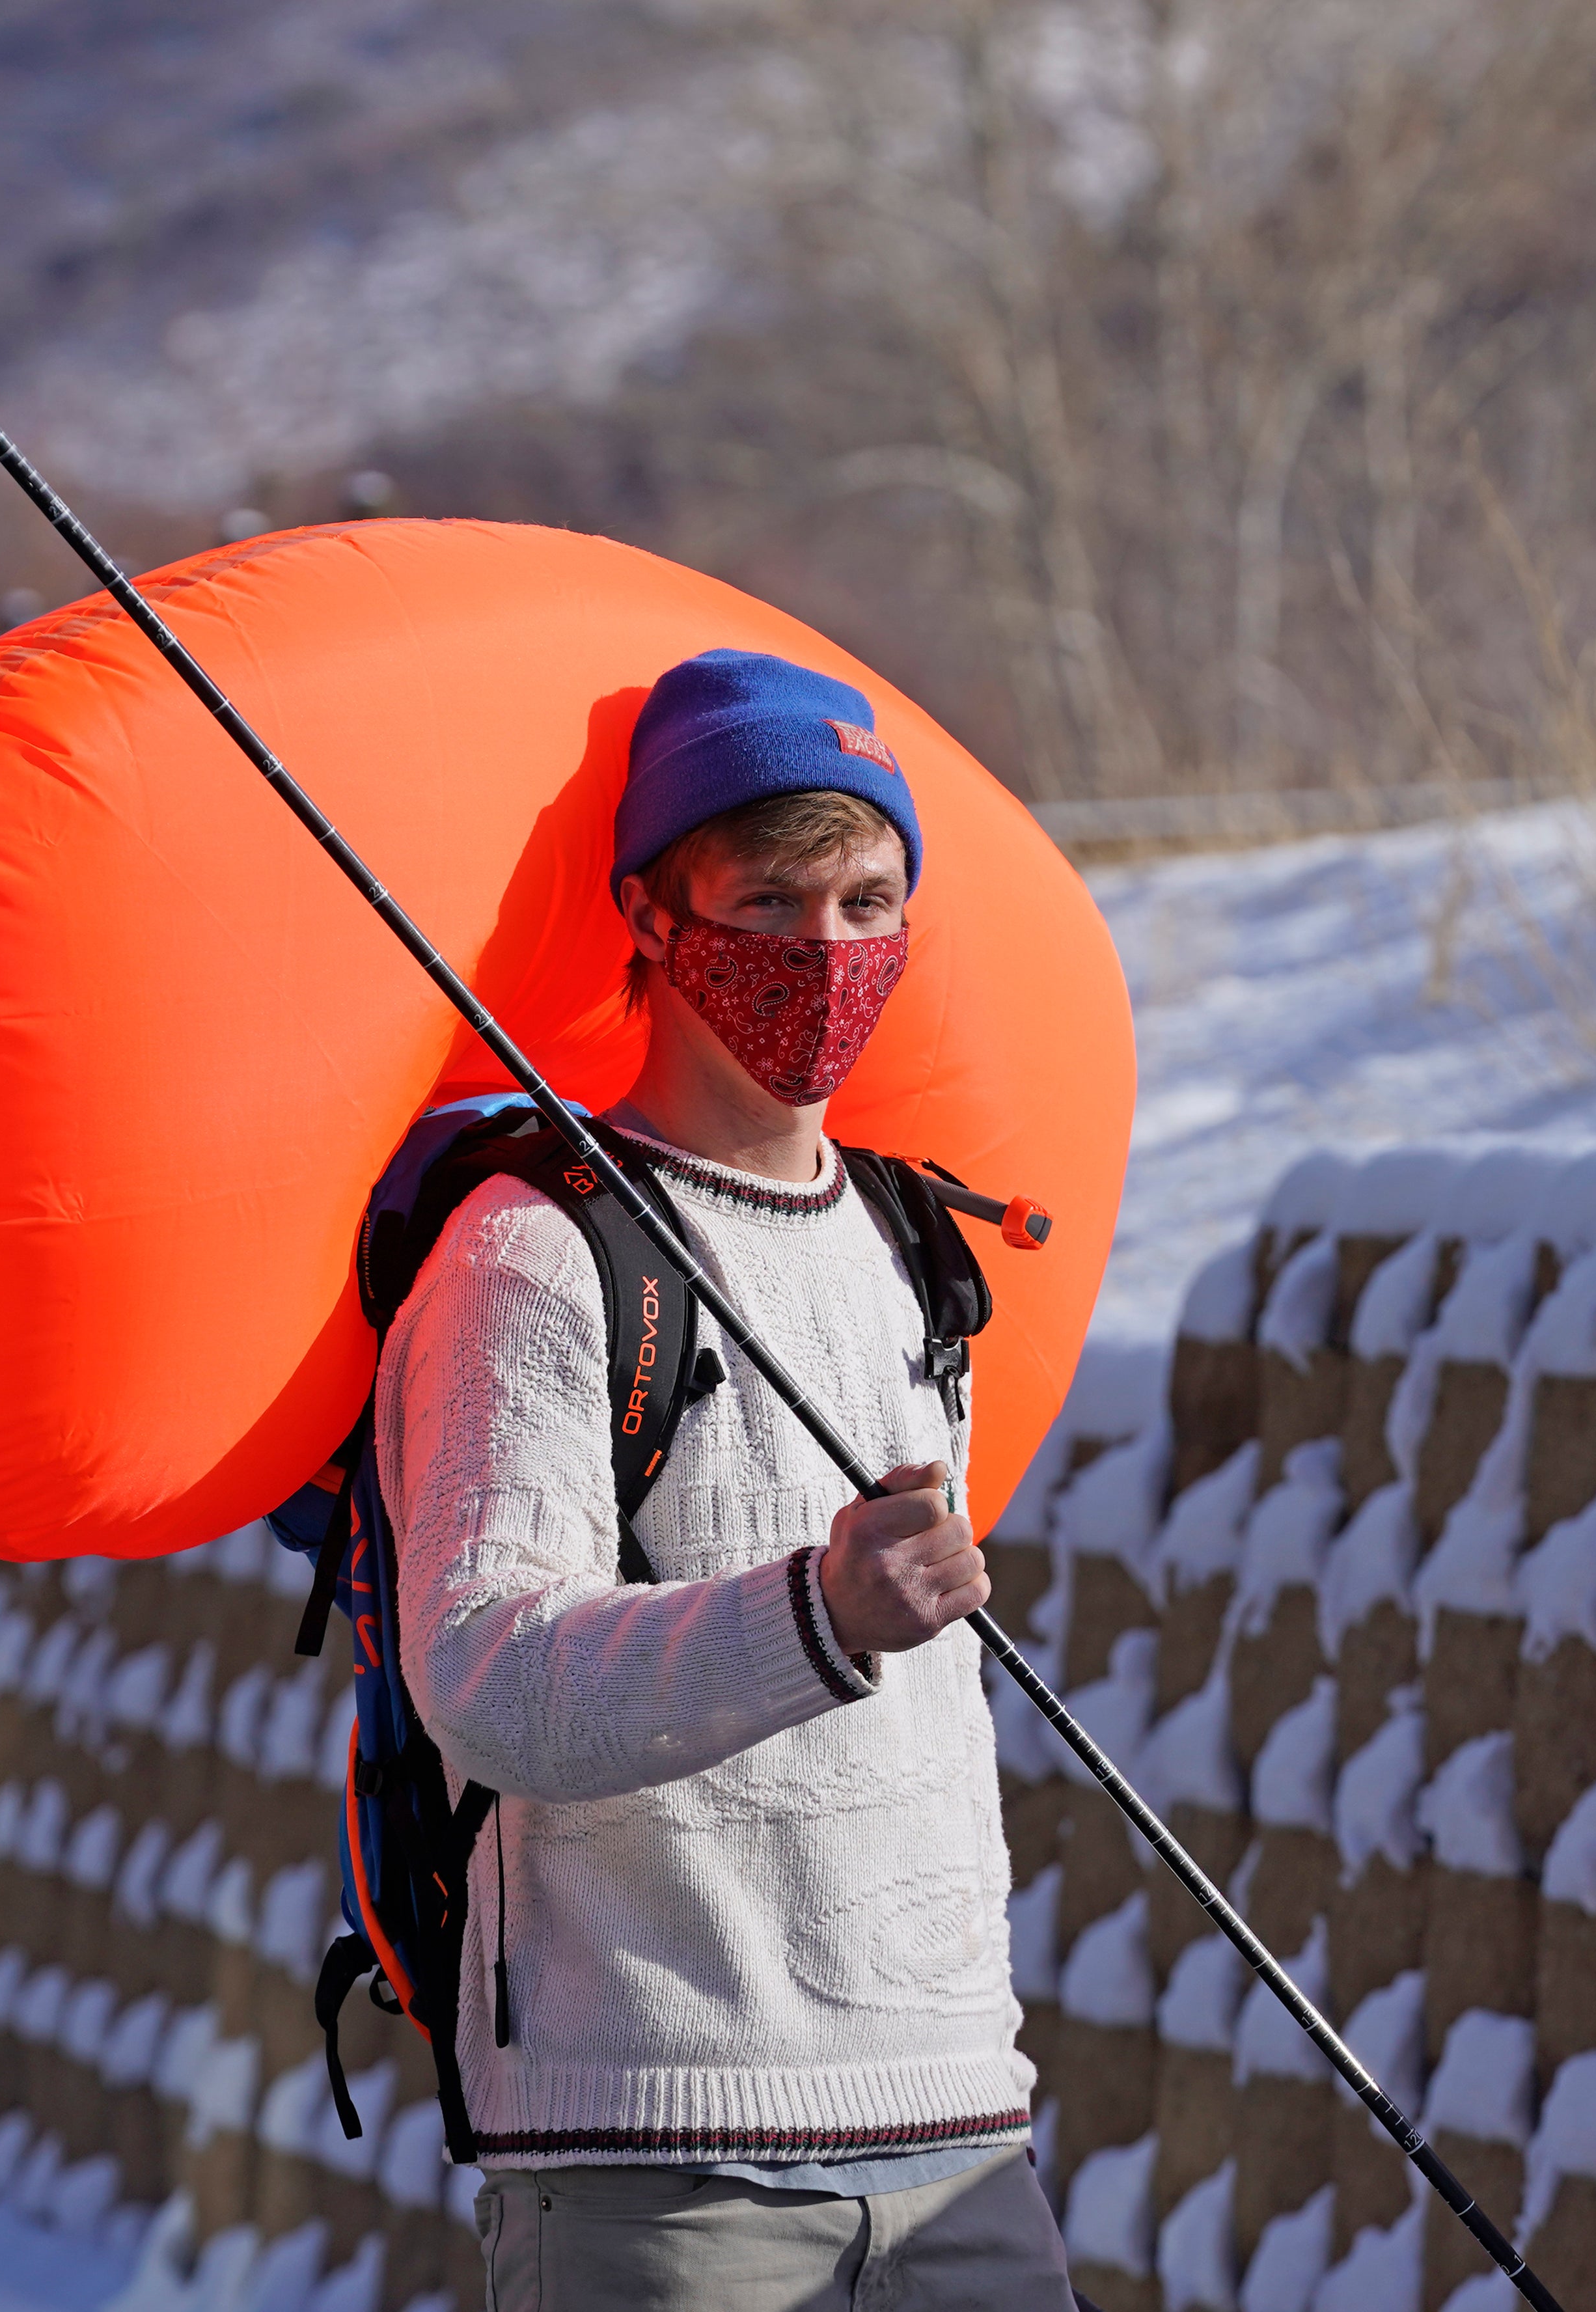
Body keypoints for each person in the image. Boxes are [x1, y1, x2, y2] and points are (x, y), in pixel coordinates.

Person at [376, 648, 1073, 2308]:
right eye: (769, 900)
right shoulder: (538, 1258)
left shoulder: (920, 1244)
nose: (824, 955)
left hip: (967, 2136)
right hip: (660, 2181)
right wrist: (818, 1612)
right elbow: (487, 1676)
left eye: (867, 901)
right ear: (648, 911)